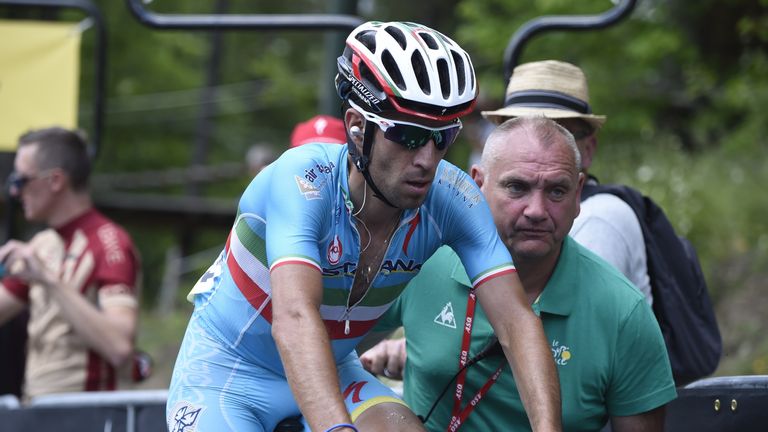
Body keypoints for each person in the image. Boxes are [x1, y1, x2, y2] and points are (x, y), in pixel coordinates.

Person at [166, 21, 561, 432]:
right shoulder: (302, 181)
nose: (428, 159)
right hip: (227, 374)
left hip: (333, 369)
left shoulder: (453, 196)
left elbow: (517, 322)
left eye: (443, 137)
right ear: (357, 126)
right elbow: (295, 317)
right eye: (409, 136)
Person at [362, 117, 677, 431]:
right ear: (477, 184)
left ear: (578, 193)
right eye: (517, 188)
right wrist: (382, 412)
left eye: (557, 191)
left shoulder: (623, 312)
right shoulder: (420, 259)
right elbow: (337, 349)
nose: (536, 210)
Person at [482, 60, 652, 304]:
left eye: (558, 130)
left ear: (588, 149)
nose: (538, 142)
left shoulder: (599, 220)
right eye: (518, 128)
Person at [0, 127, 141, 401]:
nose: (15, 191)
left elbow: (119, 347)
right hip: (36, 407)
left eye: (20, 180)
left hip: (85, 412)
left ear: (55, 180)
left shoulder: (109, 242)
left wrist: (48, 279)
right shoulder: (41, 244)